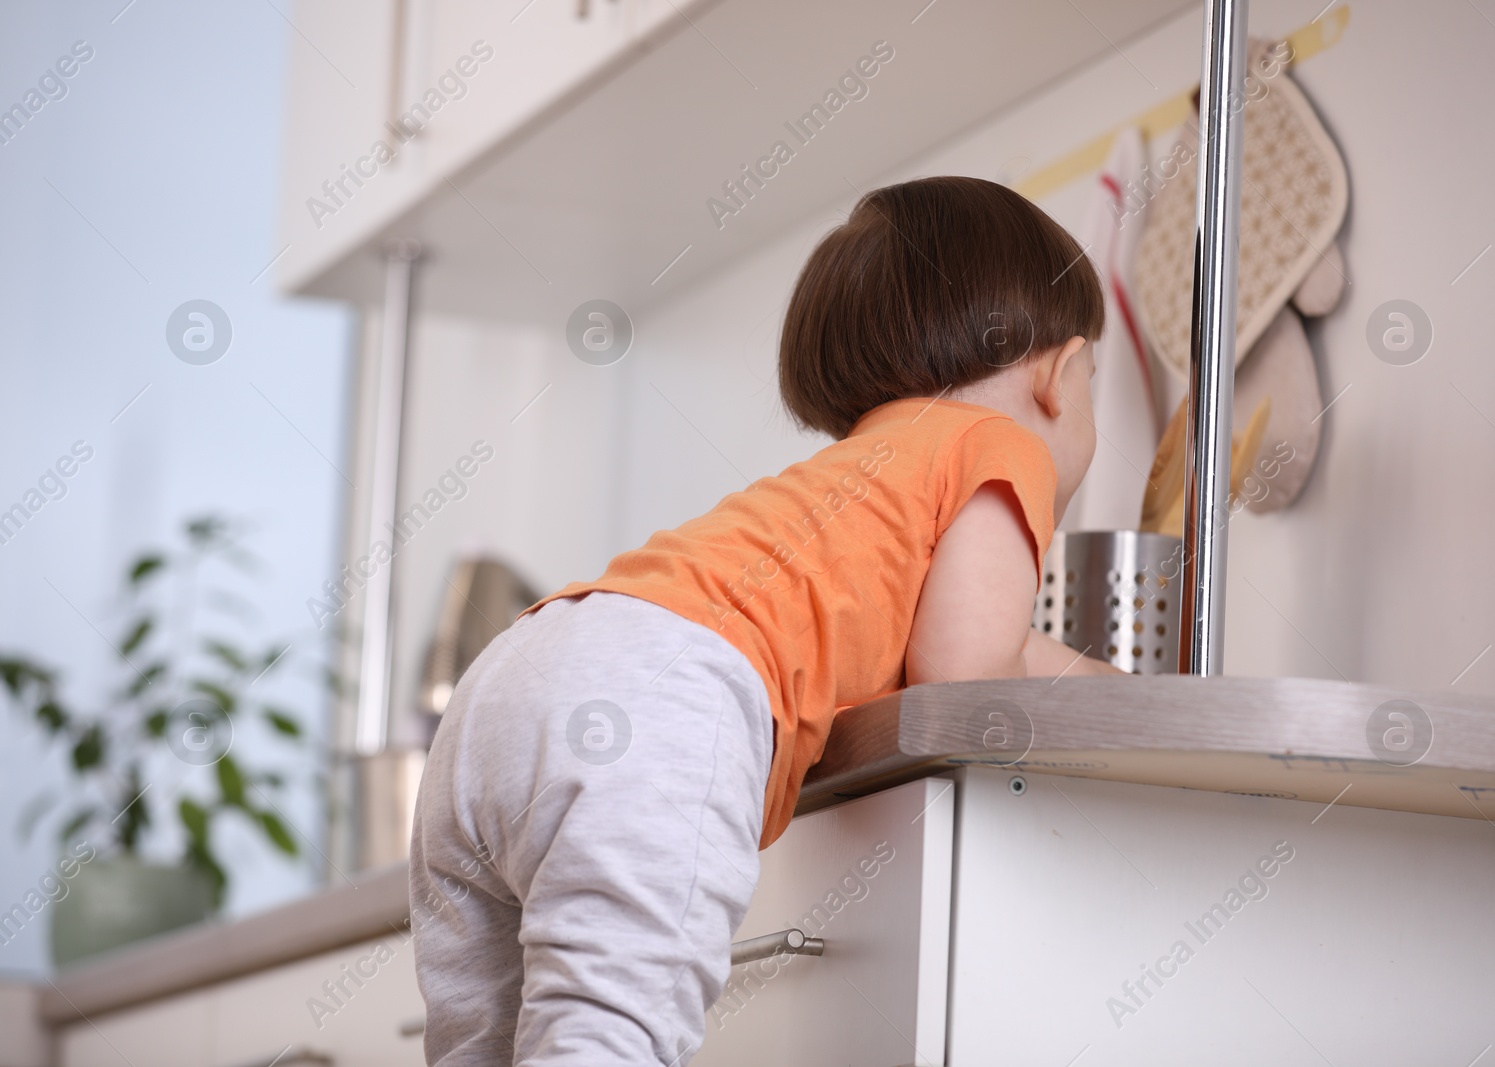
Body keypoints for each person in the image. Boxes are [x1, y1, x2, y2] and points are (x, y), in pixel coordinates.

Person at [410, 175, 1124, 1065]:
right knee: (611, 1029)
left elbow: (987, 639)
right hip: (663, 690)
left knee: (486, 1043)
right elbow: (963, 672)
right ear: (1061, 376)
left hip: (518, 676)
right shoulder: (1002, 447)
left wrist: (1110, 690)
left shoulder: (873, 472)